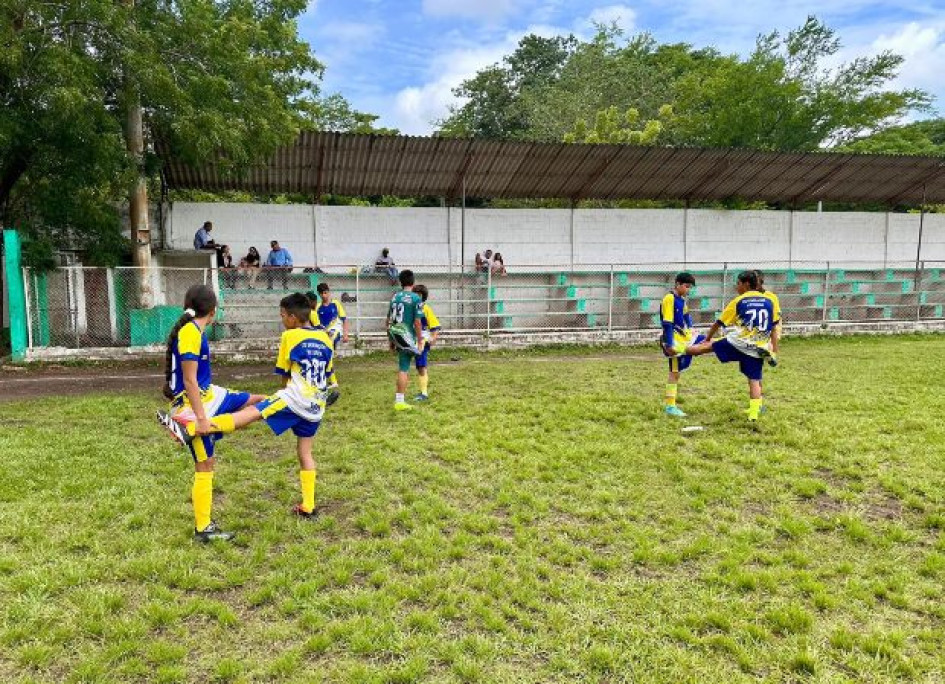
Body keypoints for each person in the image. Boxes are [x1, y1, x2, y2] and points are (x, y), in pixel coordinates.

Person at [161, 293, 336, 519]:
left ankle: (193, 427)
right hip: (316, 406)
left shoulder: (290, 336)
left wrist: (284, 396)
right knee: (305, 452)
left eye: (282, 316)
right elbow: (328, 374)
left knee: (256, 412)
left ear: (292, 318)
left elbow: (284, 377)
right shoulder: (325, 337)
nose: (282, 320)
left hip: (295, 397)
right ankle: (309, 506)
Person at [155, 284, 266, 542]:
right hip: (196, 405)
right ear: (214, 311)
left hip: (210, 395)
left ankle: (288, 401)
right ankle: (203, 529)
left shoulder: (192, 330)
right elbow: (190, 381)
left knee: (255, 400)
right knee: (205, 465)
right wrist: (201, 418)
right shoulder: (191, 333)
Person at [677, 271, 780, 422]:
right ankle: (753, 414)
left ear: (746, 284)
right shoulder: (769, 301)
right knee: (754, 379)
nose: (736, 287)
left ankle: (675, 348)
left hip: (738, 342)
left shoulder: (739, 301)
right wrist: (774, 350)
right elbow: (774, 328)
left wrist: (708, 338)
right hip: (759, 346)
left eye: (738, 283)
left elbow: (719, 323)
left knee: (706, 348)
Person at [660, 272, 704, 418]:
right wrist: (669, 343)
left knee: (705, 341)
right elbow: (667, 323)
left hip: (684, 337)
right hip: (674, 340)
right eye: (686, 286)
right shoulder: (669, 299)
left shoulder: (681, 300)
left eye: (690, 287)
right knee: (674, 373)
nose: (688, 289)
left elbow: (686, 316)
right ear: (678, 284)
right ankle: (670, 406)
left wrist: (691, 328)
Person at [386, 269, 424, 411]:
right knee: (404, 368)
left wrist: (390, 340)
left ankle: (401, 399)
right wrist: (420, 341)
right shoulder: (415, 298)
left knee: (404, 366)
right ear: (413, 282)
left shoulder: (394, 297)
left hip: (395, 333)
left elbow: (388, 320)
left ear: (400, 282)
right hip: (407, 336)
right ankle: (400, 401)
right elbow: (418, 322)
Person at [307, 283, 348, 402]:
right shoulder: (318, 307)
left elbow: (345, 320)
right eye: (322, 293)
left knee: (327, 352)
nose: (325, 295)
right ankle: (331, 380)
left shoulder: (336, 304)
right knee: (326, 356)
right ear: (319, 294)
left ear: (329, 292)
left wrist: (345, 334)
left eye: (326, 292)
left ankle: (330, 381)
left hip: (335, 332)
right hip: (323, 333)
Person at [412, 284, 441, 402]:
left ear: (423, 296)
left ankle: (424, 393)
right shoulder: (411, 308)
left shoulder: (426, 309)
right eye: (415, 295)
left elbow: (434, 325)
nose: (417, 297)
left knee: (421, 366)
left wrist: (433, 338)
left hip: (422, 340)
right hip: (411, 340)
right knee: (416, 367)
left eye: (419, 295)